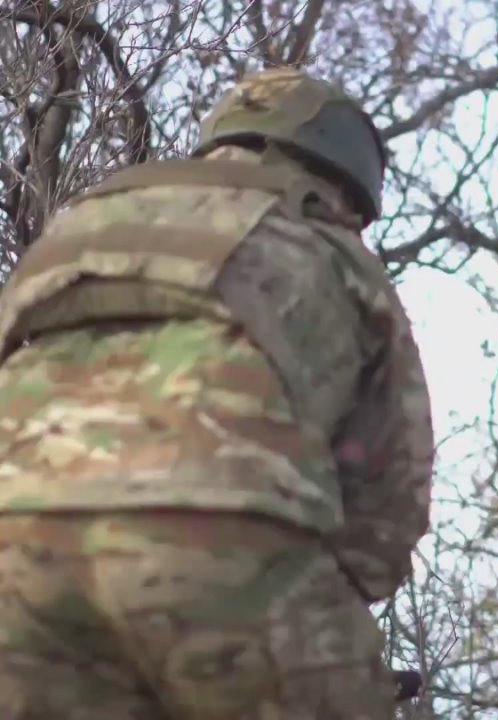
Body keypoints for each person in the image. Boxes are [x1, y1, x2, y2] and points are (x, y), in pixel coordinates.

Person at [0, 67, 434, 719]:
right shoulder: (336, 254)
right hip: (222, 549)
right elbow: (388, 509)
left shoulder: (80, 227)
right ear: (347, 183)